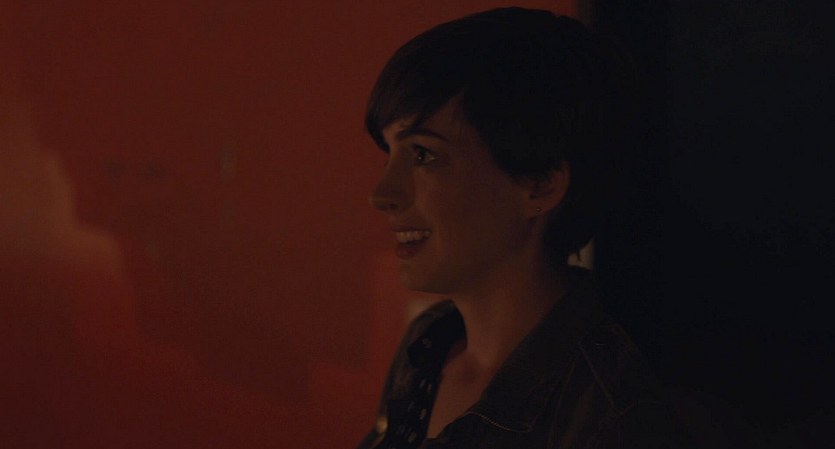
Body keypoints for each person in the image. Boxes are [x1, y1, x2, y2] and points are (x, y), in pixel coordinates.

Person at [357, 7, 689, 449]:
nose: (382, 194)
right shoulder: (431, 343)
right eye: (390, 153)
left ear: (539, 185)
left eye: (422, 154)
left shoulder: (610, 418)